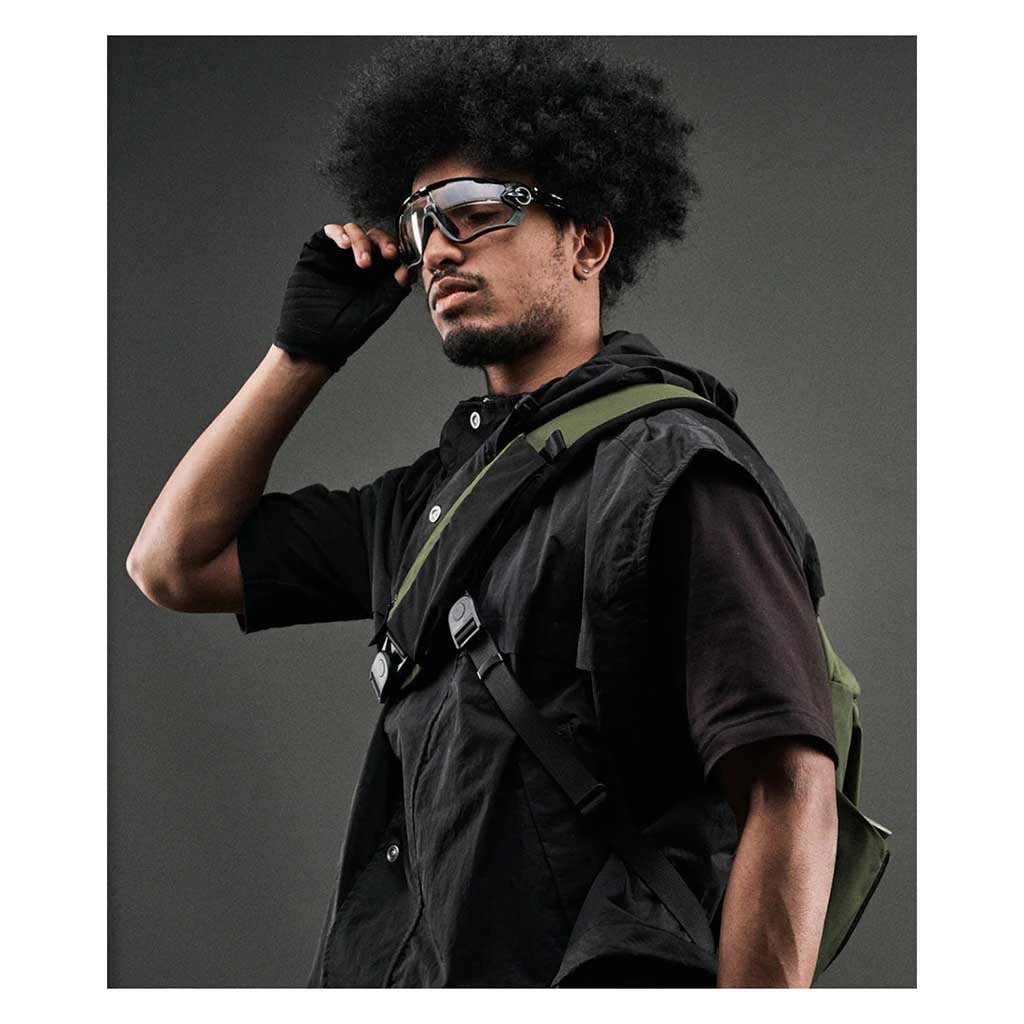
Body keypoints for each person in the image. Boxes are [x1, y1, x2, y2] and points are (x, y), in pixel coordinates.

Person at [126, 37, 839, 988]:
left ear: (587, 242)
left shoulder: (674, 470)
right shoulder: (429, 502)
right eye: (420, 222)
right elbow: (171, 563)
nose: (437, 248)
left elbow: (790, 791)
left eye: (473, 211)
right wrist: (301, 355)